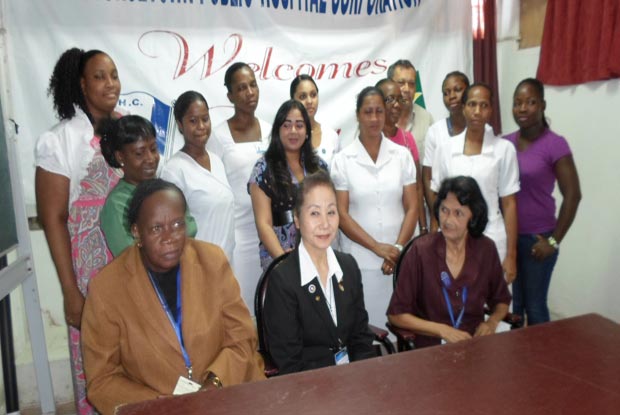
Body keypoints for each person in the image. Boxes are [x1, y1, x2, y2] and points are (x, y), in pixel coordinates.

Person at [81, 179, 264, 415]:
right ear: (136, 231)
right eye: (157, 228)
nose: (170, 237)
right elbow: (102, 380)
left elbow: (242, 337)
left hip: (228, 394)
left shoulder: (211, 261)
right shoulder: (106, 289)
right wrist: (163, 405)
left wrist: (214, 385)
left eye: (178, 224)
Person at [35, 47, 122, 415]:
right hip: (88, 276)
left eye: (114, 75)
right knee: (95, 363)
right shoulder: (59, 140)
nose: (110, 84)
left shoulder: (130, 127)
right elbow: (52, 218)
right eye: (100, 76)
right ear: (82, 85)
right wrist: (71, 292)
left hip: (130, 264)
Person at [263, 171, 375, 374]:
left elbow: (361, 337)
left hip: (354, 381)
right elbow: (289, 362)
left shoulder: (348, 267)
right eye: (314, 213)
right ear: (297, 219)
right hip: (310, 387)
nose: (325, 223)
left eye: (331, 212)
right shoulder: (283, 280)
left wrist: (361, 379)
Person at [387, 176, 511, 348]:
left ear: (473, 216)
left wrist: (491, 323)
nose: (448, 220)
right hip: (430, 348)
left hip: (473, 343)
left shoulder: (486, 249)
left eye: (458, 213)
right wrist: (442, 330)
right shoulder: (421, 251)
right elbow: (396, 315)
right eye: (444, 210)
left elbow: (501, 300)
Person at [330, 86, 418, 329]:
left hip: (399, 259)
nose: (374, 118)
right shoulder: (343, 160)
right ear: (358, 115)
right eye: (368, 112)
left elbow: (412, 207)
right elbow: (342, 215)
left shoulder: (402, 155)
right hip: (360, 260)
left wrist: (397, 248)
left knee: (400, 331)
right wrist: (378, 248)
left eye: (379, 111)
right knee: (366, 332)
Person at [504, 78, 581, 325]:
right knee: (515, 307)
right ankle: (518, 361)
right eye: (517, 103)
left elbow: (573, 195)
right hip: (509, 238)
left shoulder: (555, 144)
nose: (523, 108)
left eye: (530, 102)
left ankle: (542, 362)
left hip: (538, 239)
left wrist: (553, 241)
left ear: (543, 105)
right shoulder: (505, 144)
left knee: (535, 308)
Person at [431, 83, 520, 283]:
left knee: (491, 306)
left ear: (491, 110)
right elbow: (437, 199)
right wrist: (434, 243)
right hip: (451, 239)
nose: (477, 111)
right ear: (463, 108)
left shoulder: (504, 149)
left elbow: (509, 204)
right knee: (451, 305)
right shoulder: (445, 149)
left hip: (492, 237)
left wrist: (511, 256)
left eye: (484, 105)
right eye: (472, 104)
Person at [207, 62, 271, 309]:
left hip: (271, 232)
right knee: (244, 307)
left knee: (273, 306)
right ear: (230, 95)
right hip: (240, 234)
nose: (250, 92)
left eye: (253, 85)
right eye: (241, 88)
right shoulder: (218, 136)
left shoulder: (270, 130)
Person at [100, 115, 197, 257]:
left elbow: (190, 228)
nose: (151, 159)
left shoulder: (168, 191)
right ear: (120, 156)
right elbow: (131, 256)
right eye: (139, 153)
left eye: (153, 149)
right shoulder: (117, 204)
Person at [249, 100, 328, 270]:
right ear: (278, 130)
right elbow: (263, 224)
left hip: (318, 255)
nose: (293, 131)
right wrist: (284, 261)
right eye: (286, 125)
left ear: (307, 131)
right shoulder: (263, 169)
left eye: (299, 125)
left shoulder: (320, 168)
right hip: (279, 259)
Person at [161, 91, 235, 261]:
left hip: (226, 264)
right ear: (180, 124)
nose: (201, 126)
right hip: (197, 266)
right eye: (193, 121)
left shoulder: (216, 160)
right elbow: (172, 230)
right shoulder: (174, 170)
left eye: (205, 119)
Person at [376, 78, 427, 234]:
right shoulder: (369, 141)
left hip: (408, 225)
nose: (397, 105)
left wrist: (423, 226)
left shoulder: (407, 139)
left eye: (399, 100)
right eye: (390, 99)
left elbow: (418, 186)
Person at [422, 71, 470, 228]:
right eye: (446, 93)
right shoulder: (435, 131)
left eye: (457, 89)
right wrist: (438, 214)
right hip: (445, 216)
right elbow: (428, 177)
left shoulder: (479, 129)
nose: (452, 96)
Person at [387, 59, 434, 159]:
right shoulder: (377, 118)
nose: (407, 89)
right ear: (389, 84)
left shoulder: (426, 119)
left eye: (411, 84)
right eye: (401, 83)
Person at [290, 74, 340, 166]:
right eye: (303, 97)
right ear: (292, 100)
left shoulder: (331, 136)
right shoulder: (287, 136)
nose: (309, 101)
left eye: (313, 95)